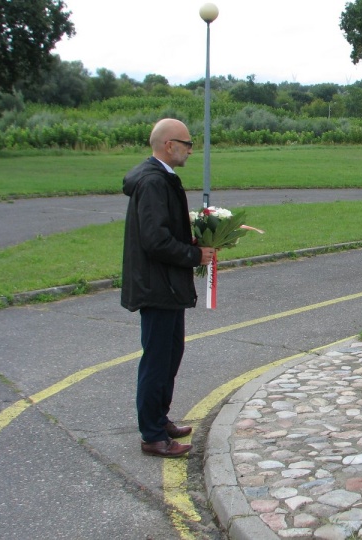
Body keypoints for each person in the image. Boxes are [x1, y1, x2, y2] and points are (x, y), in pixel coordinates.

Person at [121, 118, 216, 458]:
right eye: (186, 143)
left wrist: (193, 240)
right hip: (157, 286)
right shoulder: (153, 182)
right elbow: (154, 240)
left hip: (167, 285)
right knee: (157, 360)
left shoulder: (162, 178)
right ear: (168, 145)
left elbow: (164, 231)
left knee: (171, 354)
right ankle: (152, 435)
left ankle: (160, 420)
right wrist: (193, 254)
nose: (191, 149)